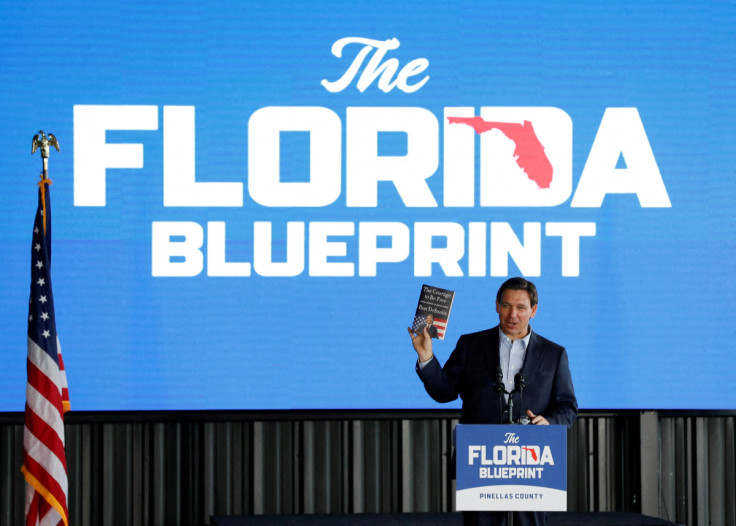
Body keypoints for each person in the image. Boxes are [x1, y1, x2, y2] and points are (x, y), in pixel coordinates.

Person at [408, 277, 577, 526]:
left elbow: (567, 407)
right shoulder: (471, 344)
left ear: (534, 310)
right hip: (481, 460)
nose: (513, 314)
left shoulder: (554, 354)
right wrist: (426, 357)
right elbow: (444, 392)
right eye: (506, 305)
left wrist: (548, 421)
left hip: (530, 460)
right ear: (496, 305)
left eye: (521, 307)